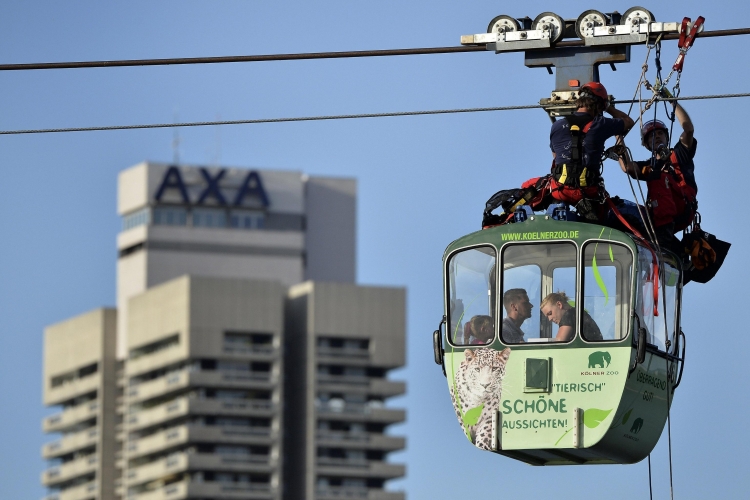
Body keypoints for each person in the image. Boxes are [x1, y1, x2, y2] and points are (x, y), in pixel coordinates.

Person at [616, 100, 697, 251]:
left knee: (658, 178)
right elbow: (627, 167)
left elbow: (689, 130)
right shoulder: (649, 165)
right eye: (652, 136)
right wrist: (617, 135)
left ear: (666, 137)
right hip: (659, 214)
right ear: (647, 144)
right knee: (621, 207)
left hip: (682, 207)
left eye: (660, 133)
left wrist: (672, 102)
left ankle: (663, 237)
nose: (657, 137)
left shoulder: (679, 154)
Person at [548, 81, 635, 220]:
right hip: (587, 190)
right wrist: (608, 108)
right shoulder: (600, 124)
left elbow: (555, 157)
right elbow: (628, 122)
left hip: (560, 189)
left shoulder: (557, 126)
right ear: (599, 105)